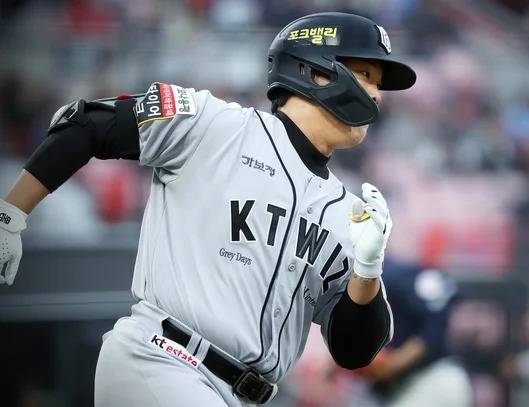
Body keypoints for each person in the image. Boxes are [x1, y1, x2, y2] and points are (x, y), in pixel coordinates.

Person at [0, 12, 416, 406]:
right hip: (163, 358)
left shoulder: (350, 215)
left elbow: (353, 350)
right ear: (315, 70)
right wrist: (10, 215)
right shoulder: (215, 125)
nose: (376, 94)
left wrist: (367, 269)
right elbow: (87, 123)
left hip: (241, 395)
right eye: (366, 74)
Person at [357, 258, 472, 406]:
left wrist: (394, 363)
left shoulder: (393, 274)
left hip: (433, 378)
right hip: (402, 389)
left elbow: (436, 321)